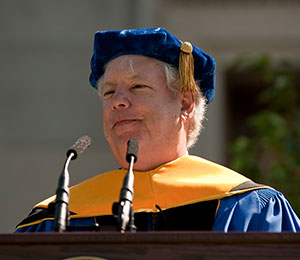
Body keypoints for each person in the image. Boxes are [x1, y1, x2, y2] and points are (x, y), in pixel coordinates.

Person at [16, 27, 300, 232]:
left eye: (138, 87)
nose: (118, 102)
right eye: (109, 92)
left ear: (185, 104)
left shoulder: (247, 208)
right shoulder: (55, 216)